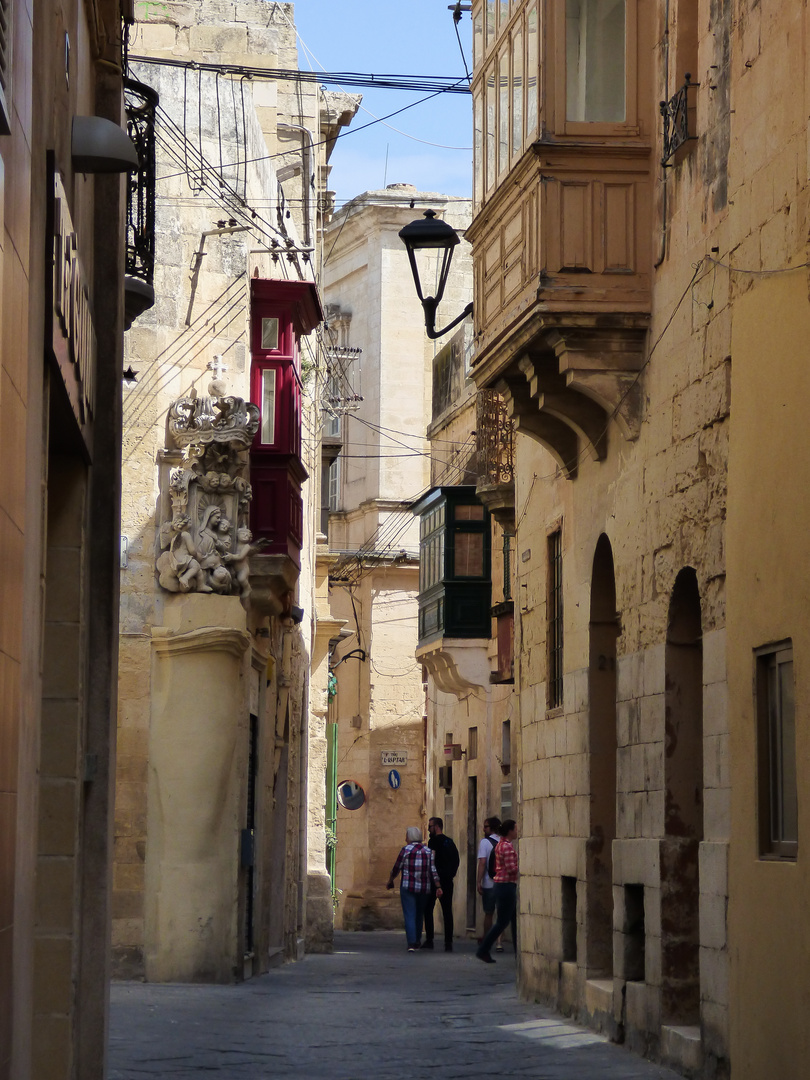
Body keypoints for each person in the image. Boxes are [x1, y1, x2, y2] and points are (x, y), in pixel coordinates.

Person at [386, 827, 442, 952]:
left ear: (409, 837)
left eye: (406, 836)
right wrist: (438, 886)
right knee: (419, 914)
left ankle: (411, 943)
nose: (405, 838)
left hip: (408, 887)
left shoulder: (405, 850)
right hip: (424, 888)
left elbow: (396, 867)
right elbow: (433, 871)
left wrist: (390, 880)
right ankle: (417, 940)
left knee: (409, 914)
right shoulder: (428, 852)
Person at [476, 819, 518, 964]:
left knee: (512, 919)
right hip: (506, 885)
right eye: (516, 828)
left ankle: (518, 953)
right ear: (510, 831)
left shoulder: (501, 845)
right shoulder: (506, 846)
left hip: (502, 885)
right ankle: (483, 950)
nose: (517, 831)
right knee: (502, 921)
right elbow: (511, 868)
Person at [424, 817, 460, 951]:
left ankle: (429, 940)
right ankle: (448, 943)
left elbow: (431, 861)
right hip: (448, 881)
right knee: (447, 911)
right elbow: (456, 860)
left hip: (435, 881)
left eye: (430, 826)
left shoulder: (433, 842)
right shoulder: (450, 842)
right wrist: (450, 874)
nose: (428, 829)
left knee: (428, 909)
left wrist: (436, 882)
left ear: (437, 826)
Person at [476, 816, 505, 952]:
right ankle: (499, 943)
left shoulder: (485, 843)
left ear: (491, 828)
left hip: (489, 882)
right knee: (501, 914)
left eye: (486, 826)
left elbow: (482, 862)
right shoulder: (504, 842)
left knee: (489, 913)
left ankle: (487, 940)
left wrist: (478, 881)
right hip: (503, 883)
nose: (483, 829)